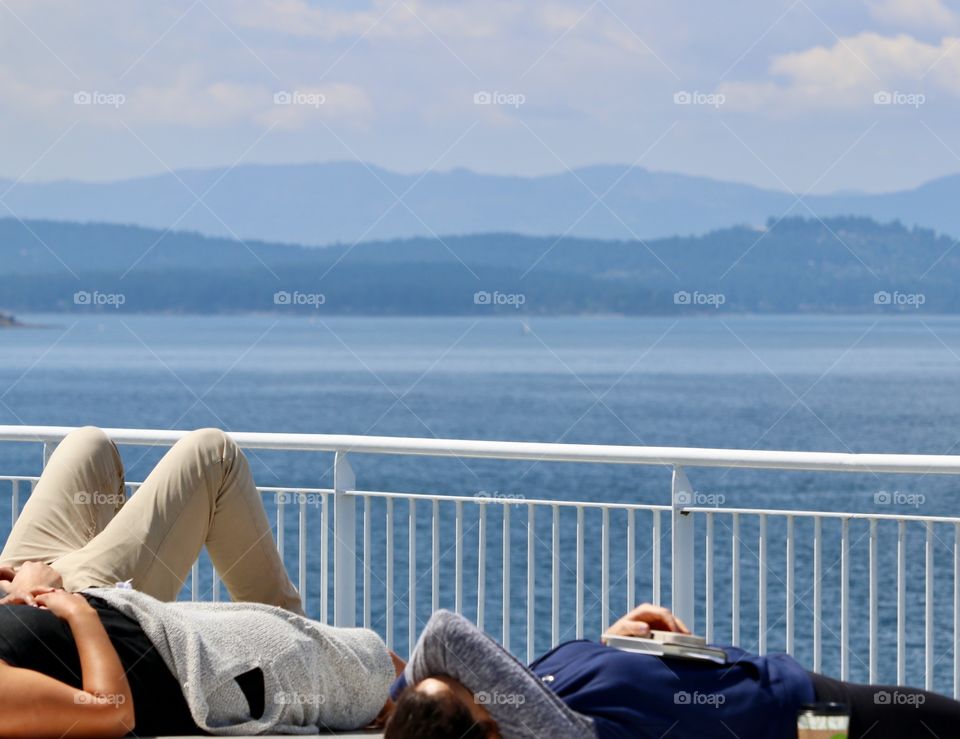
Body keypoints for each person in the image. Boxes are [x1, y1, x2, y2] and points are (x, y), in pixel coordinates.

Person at [0, 426, 402, 736]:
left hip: (21, 585)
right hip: (57, 598)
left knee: (88, 445)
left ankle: (308, 653)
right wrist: (64, 602)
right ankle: (300, 639)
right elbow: (111, 712)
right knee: (213, 454)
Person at [384, 605, 960, 739]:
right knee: (930, 721)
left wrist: (619, 640)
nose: (460, 675)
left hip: (761, 683)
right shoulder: (552, 735)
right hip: (801, 718)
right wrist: (410, 687)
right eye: (457, 686)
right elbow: (444, 633)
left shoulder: (528, 701)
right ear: (487, 730)